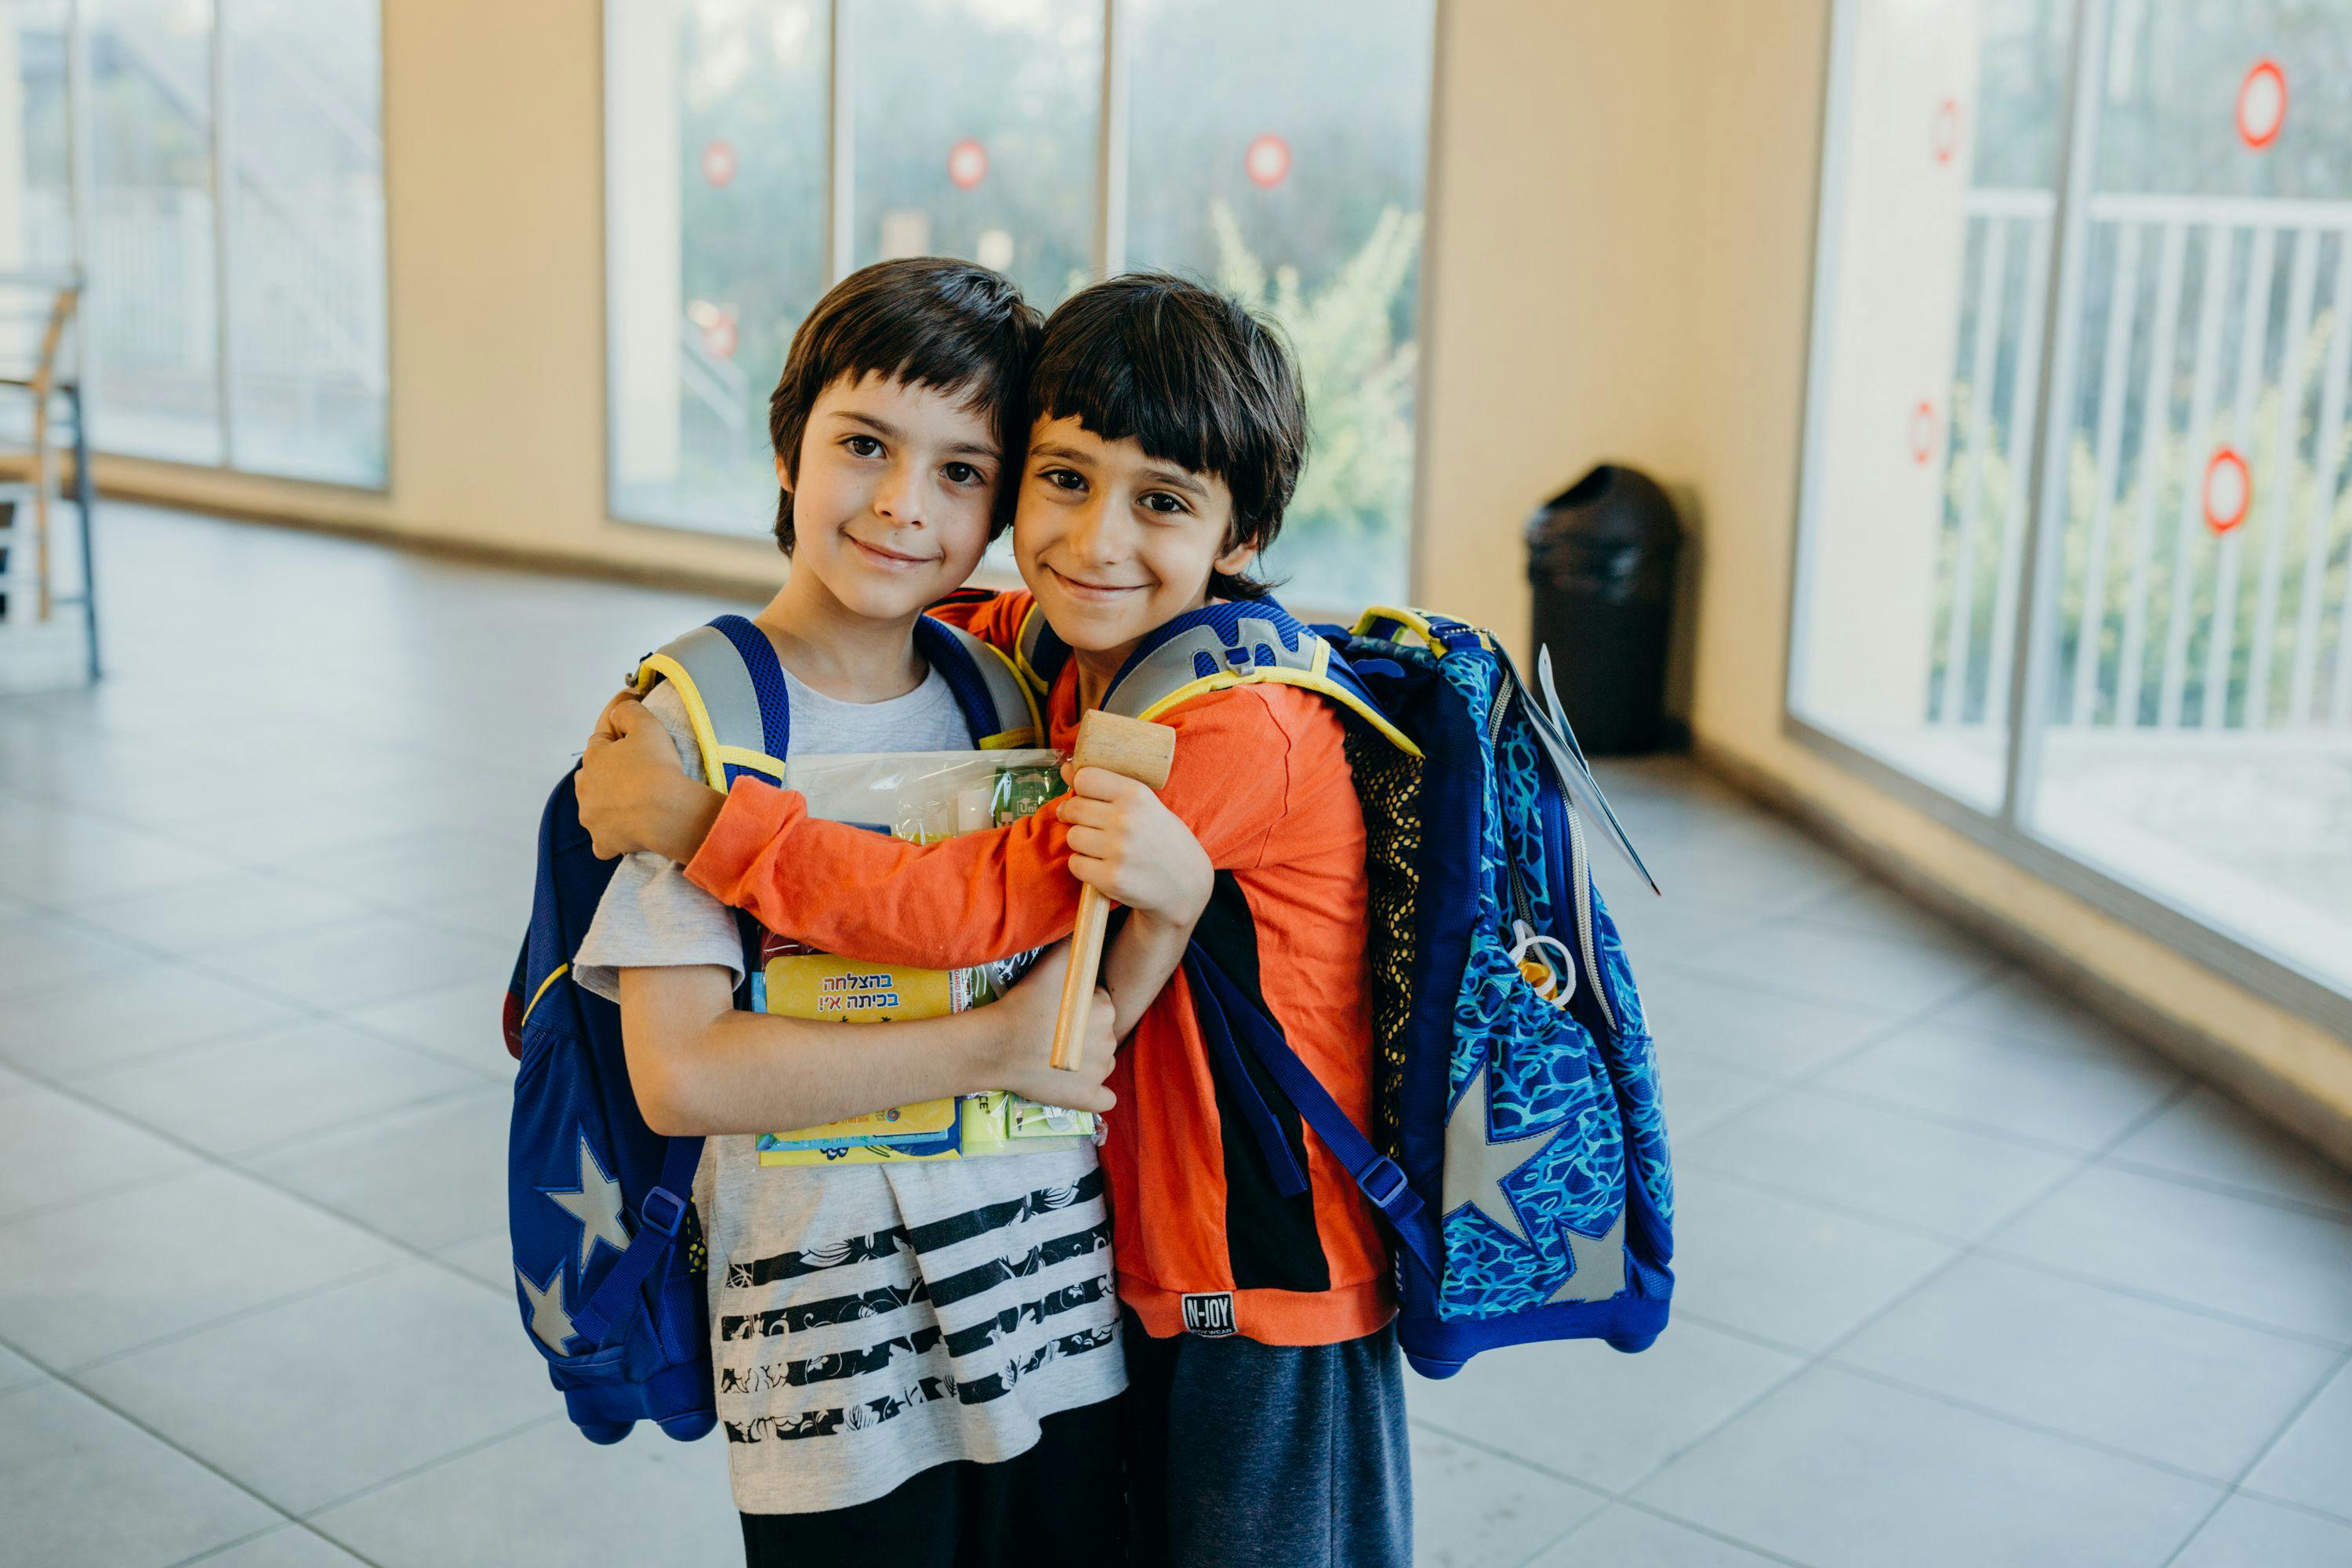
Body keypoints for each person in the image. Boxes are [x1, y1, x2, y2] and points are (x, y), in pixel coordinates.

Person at [577, 273, 1411, 1568]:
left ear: (1239, 539)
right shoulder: (1038, 656)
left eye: (1164, 503)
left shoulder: (1230, 720)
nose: (1096, 542)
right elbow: (934, 609)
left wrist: (697, 824)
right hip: (1087, 1269)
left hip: (1262, 1274)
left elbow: (969, 905)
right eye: (1061, 480)